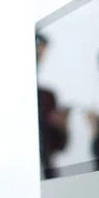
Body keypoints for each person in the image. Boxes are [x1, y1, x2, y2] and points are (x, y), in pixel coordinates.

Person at [35, 34, 69, 179]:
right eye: (36, 56)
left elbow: (59, 145)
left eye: (40, 57)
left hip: (46, 174)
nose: (38, 62)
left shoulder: (47, 96)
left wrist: (61, 126)